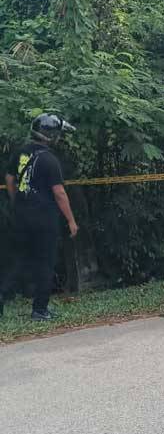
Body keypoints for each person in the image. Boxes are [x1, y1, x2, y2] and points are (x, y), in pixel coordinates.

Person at [1, 113, 79, 320]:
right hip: (44, 219)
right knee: (45, 262)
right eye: (58, 135)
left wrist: (16, 199)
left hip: (20, 216)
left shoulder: (20, 153)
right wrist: (71, 221)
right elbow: (59, 193)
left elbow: (9, 178)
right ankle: (39, 309)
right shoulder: (49, 160)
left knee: (17, 261)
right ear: (50, 135)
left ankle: (1, 298)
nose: (59, 138)